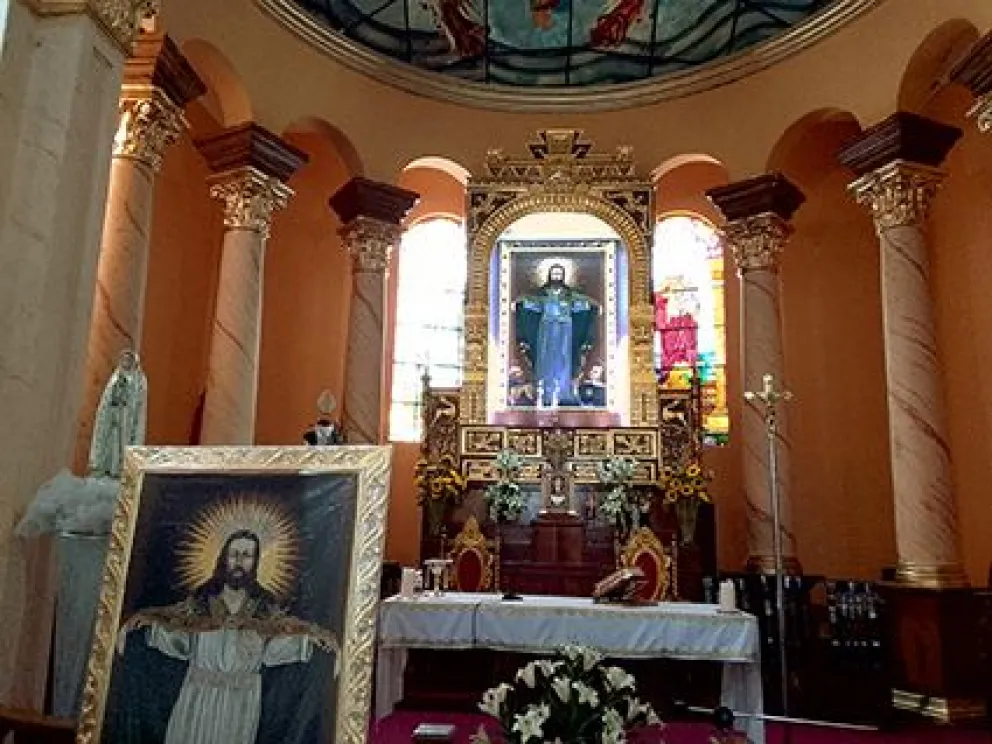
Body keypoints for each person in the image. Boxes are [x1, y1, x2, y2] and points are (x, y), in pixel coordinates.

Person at [117, 529, 339, 744]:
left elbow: (274, 649)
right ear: (224, 557)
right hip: (197, 695)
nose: (239, 562)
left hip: (241, 700)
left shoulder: (265, 608)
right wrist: (145, 627)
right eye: (235, 554)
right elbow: (179, 639)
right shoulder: (202, 600)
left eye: (247, 555)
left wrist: (312, 642)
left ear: (255, 561)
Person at [514, 263, 599, 407]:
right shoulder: (543, 295)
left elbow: (582, 301)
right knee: (545, 359)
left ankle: (563, 393)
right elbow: (531, 301)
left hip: (565, 331)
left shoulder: (569, 296)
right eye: (554, 274)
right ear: (549, 275)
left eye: (559, 274)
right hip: (546, 329)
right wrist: (519, 302)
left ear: (563, 276)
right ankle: (545, 393)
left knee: (563, 359)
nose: (556, 276)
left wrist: (594, 304)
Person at [88, 349, 147, 478]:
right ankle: (104, 466)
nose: (126, 362)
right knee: (109, 442)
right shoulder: (115, 378)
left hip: (127, 420)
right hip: (112, 418)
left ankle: (118, 470)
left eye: (128, 359)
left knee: (121, 444)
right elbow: (106, 401)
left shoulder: (139, 381)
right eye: (124, 359)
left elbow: (137, 404)